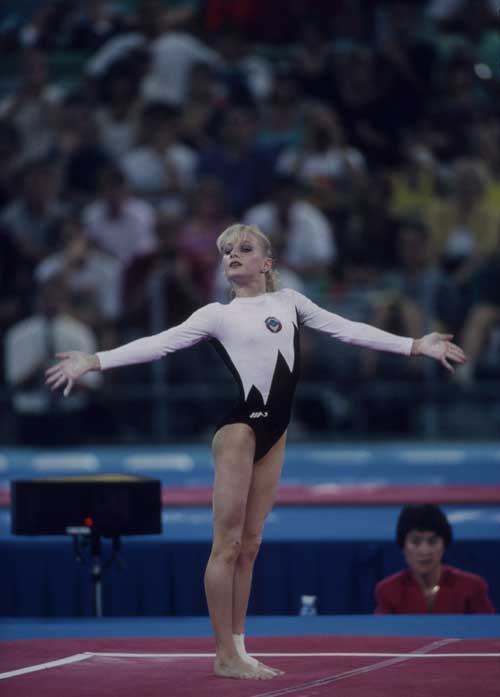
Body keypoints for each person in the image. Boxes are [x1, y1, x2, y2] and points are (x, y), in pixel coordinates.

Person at [46, 223, 466, 679]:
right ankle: (223, 654)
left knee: (249, 546)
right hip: (240, 432)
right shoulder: (216, 315)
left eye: (244, 248)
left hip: (274, 433)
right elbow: (159, 344)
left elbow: (348, 330)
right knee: (226, 545)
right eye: (227, 250)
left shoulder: (291, 302)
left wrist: (414, 345)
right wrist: (95, 360)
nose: (233, 255)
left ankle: (240, 649)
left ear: (267, 263)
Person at [375, 503, 495, 614]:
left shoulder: (472, 588)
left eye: (432, 542)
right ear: (403, 545)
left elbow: (489, 629)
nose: (424, 551)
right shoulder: (388, 591)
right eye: (415, 542)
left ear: (444, 545)